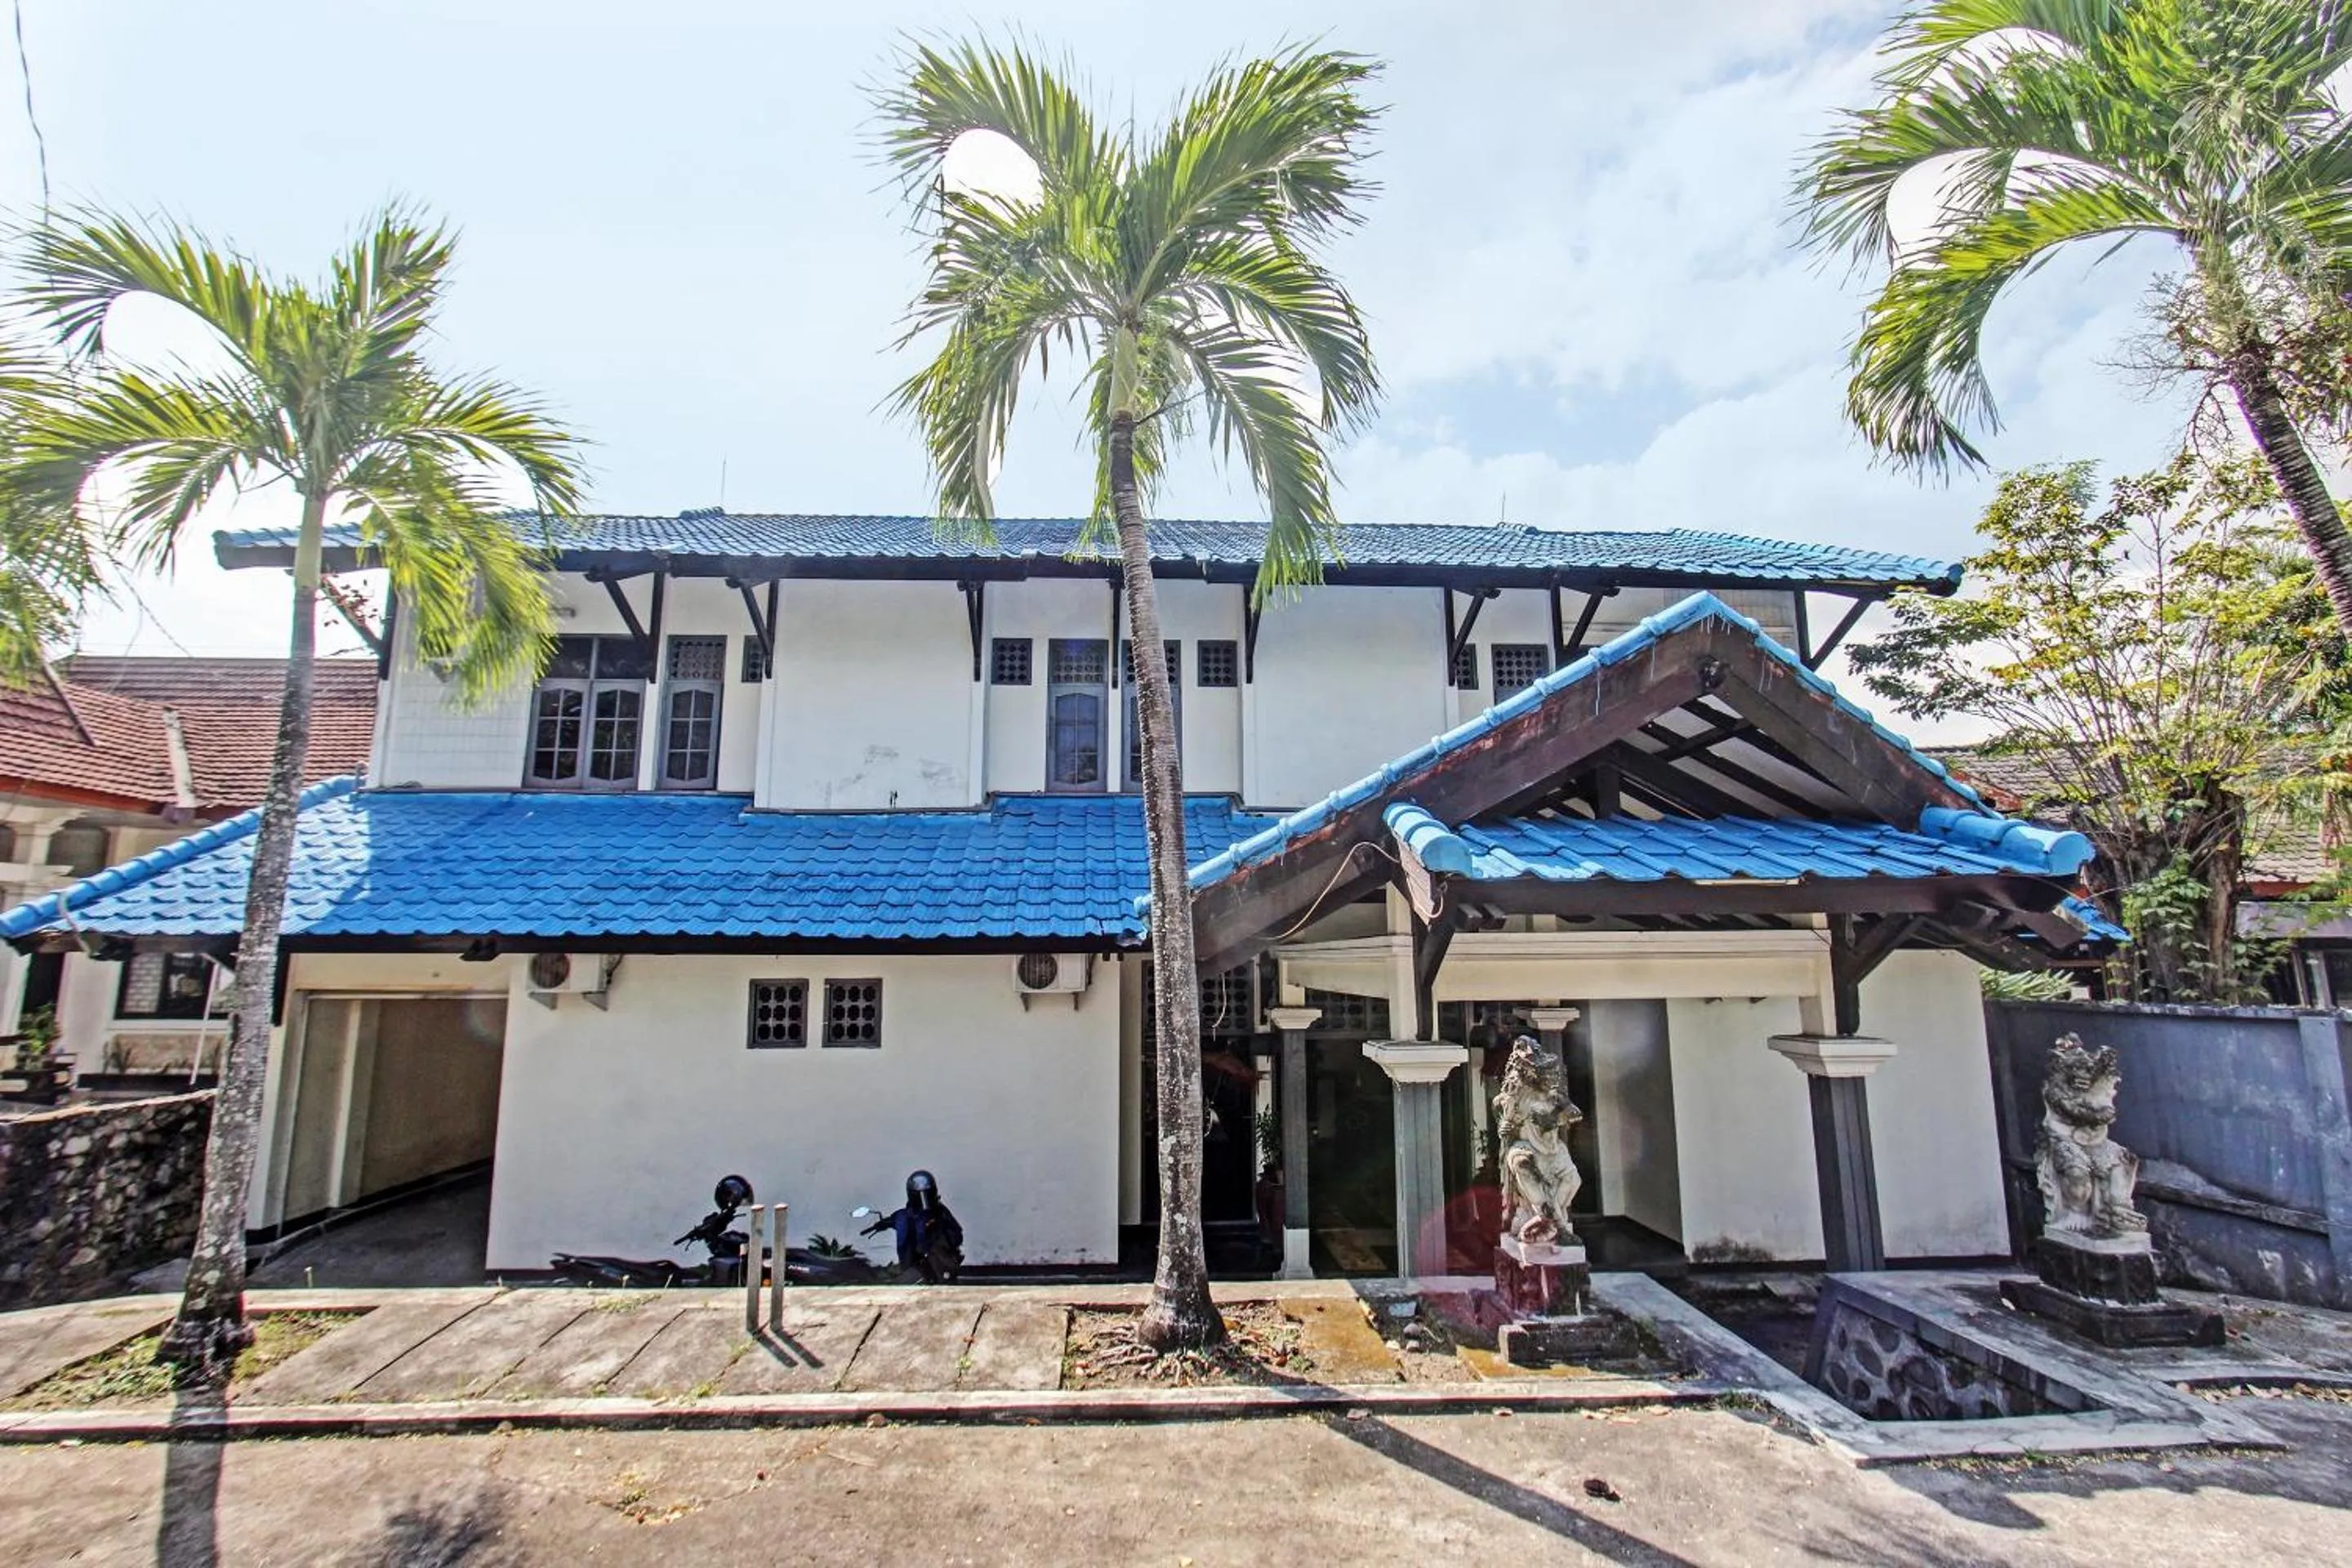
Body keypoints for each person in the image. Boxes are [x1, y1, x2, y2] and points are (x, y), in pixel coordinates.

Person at [864, 1169, 964, 1281]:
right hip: (915, 1264)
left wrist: (937, 1236)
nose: (924, 1200)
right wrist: (884, 1223)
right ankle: (908, 1269)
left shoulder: (940, 1212)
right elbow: (900, 1218)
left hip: (939, 1266)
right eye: (919, 1196)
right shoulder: (906, 1215)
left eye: (926, 1194)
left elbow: (956, 1235)